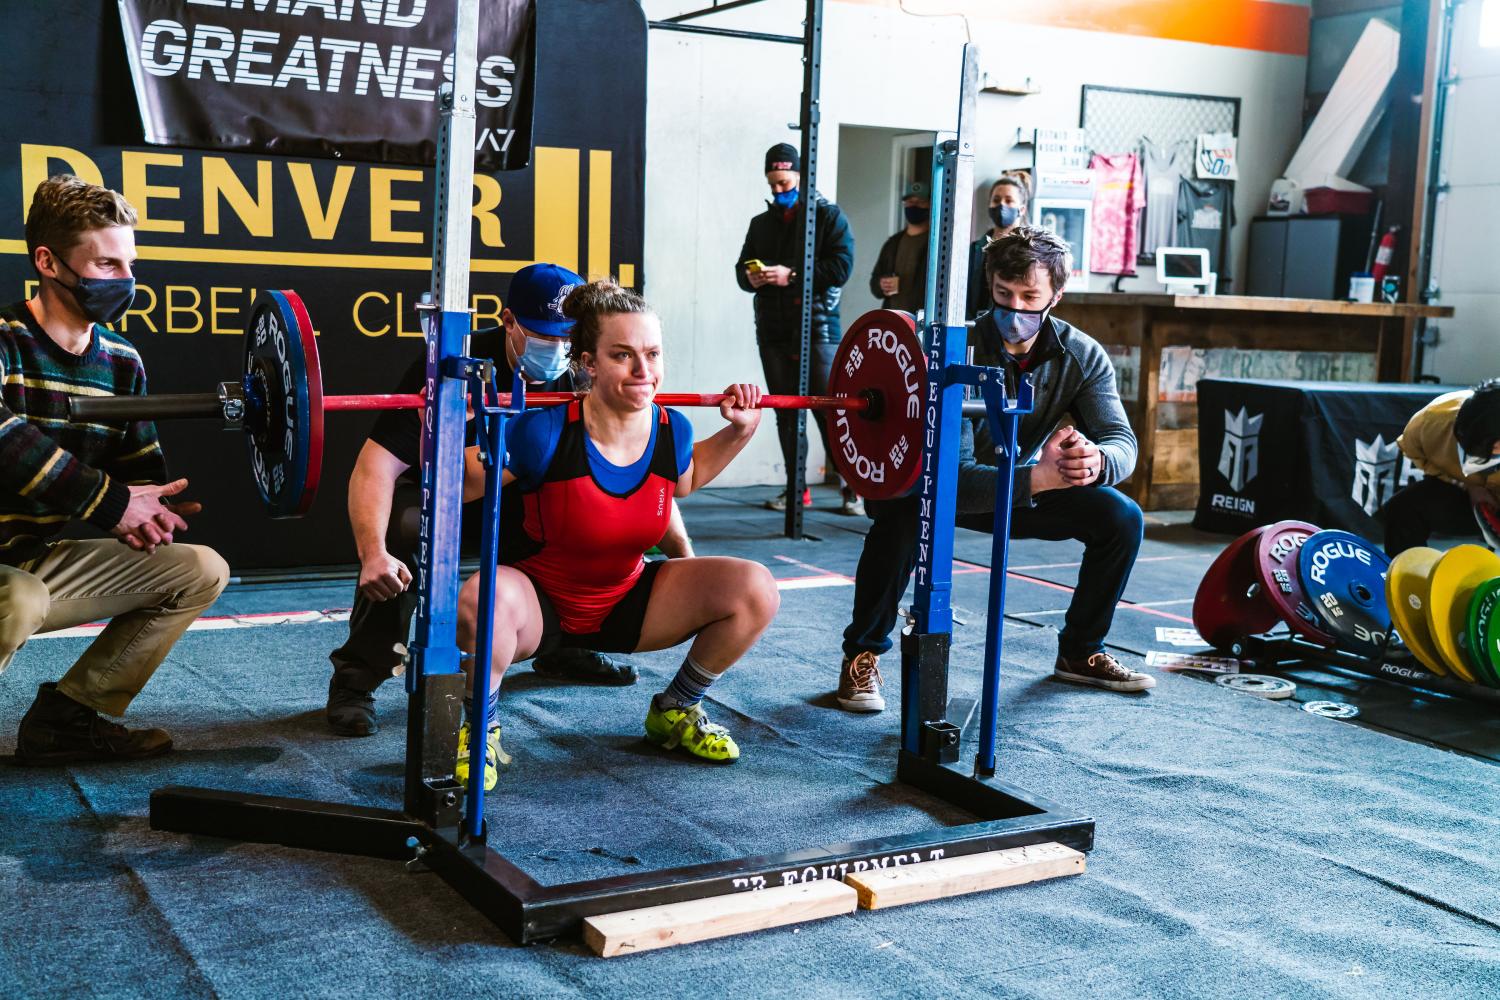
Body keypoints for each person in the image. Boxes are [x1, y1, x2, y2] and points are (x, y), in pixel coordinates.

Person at [325, 264, 695, 737]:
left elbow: (643, 468)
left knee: (586, 501)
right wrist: (372, 553)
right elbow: (377, 466)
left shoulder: (589, 368)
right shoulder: (452, 361)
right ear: (509, 321)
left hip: (526, 499)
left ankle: (562, 644)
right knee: (404, 531)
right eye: (546, 336)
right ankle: (356, 679)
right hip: (450, 498)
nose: (560, 351)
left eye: (570, 339)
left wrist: (682, 555)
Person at [454, 280, 779, 788]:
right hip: (542, 608)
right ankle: (481, 728)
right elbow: (462, 485)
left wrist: (740, 431)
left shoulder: (673, 431)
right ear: (588, 363)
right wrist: (453, 420)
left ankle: (675, 710)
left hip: (628, 602)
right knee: (479, 600)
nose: (643, 370)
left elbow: (686, 479)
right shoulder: (545, 431)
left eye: (651, 354)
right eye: (622, 355)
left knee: (754, 588)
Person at [835, 226, 1151, 712]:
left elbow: (1122, 441)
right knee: (899, 512)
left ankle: (1080, 652)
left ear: (1057, 296)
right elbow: (953, 481)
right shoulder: (952, 349)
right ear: (989, 285)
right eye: (1004, 294)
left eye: (1030, 297)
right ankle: (862, 655)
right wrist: (1042, 477)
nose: (1016, 310)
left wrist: (1098, 461)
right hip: (938, 487)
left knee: (1121, 517)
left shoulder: (1082, 356)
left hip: (1015, 486)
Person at [2, 175, 228, 762]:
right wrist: (110, 502)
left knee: (198, 569)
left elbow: (137, 475)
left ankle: (67, 720)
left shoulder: (122, 361)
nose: (123, 281)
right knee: (20, 599)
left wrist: (155, 510)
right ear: (48, 262)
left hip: (33, 556)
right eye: (105, 264)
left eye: (129, 264)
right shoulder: (3, 341)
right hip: (16, 580)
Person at [736, 142, 860, 515]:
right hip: (773, 328)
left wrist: (791, 275)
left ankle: (851, 488)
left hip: (819, 328)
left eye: (785, 183)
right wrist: (753, 278)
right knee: (785, 412)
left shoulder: (828, 217)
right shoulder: (761, 223)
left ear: (802, 177)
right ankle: (796, 490)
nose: (779, 191)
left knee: (829, 410)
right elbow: (740, 271)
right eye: (773, 184)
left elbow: (841, 268)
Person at [1382, 379, 1500, 557]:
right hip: (1466, 492)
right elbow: (1415, 453)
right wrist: (1470, 485)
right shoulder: (1431, 421)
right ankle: (1406, 578)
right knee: (1403, 509)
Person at [966, 176, 1029, 320]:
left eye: (1009, 200)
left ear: (1022, 209)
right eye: (996, 200)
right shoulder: (975, 249)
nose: (1001, 205)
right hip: (973, 327)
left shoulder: (1028, 251)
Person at [869, 181, 930, 313]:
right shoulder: (893, 243)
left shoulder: (935, 244)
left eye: (920, 202)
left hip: (920, 321)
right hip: (893, 320)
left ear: (930, 205)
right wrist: (882, 285)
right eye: (909, 202)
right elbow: (874, 282)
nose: (914, 206)